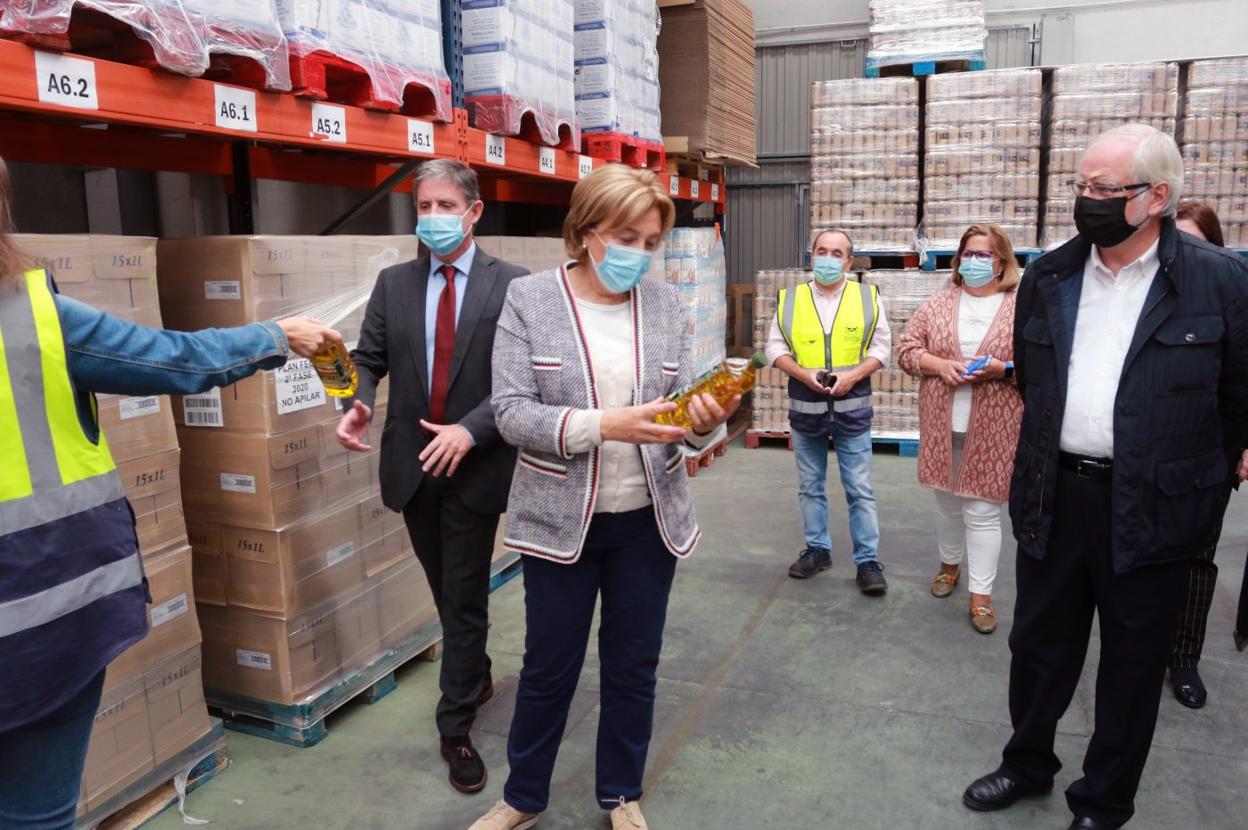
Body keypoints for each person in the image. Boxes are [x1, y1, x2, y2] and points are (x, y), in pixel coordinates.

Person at [0, 155, 338, 830]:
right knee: (35, 815)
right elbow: (169, 358)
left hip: (43, 613)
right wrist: (276, 335)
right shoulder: (32, 317)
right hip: (45, 619)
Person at [962, 124, 1248, 830]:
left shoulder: (1219, 282)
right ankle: (1026, 765)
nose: (1085, 200)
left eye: (1101, 188)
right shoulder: (1051, 275)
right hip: (1056, 495)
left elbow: (1237, 398)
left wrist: (1200, 486)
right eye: (1080, 186)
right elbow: (1034, 380)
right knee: (1038, 648)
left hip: (1154, 508)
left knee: (1131, 664)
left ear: (1156, 197)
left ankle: (1103, 801)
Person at [468, 165, 736, 830]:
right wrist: (603, 425)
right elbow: (510, 413)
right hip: (560, 520)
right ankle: (523, 796)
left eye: (651, 242)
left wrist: (703, 417)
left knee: (633, 665)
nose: (639, 255)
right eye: (627, 237)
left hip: (647, 521)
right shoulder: (532, 301)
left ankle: (620, 793)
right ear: (587, 232)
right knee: (549, 666)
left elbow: (687, 411)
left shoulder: (667, 306)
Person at [336, 159, 528, 794]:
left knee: (465, 594)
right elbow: (367, 358)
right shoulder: (394, 285)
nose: (433, 219)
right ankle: (474, 672)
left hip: (474, 462)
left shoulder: (514, 286)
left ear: (474, 212)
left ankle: (455, 727)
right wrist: (357, 399)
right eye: (424, 208)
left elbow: (518, 382)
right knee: (446, 586)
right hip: (414, 465)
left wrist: (468, 430)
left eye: (447, 206)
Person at [897, 224, 1023, 634]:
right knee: (947, 503)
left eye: (983, 255)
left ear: (1001, 261)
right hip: (942, 423)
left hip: (994, 426)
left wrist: (1002, 370)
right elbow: (907, 349)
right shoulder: (939, 303)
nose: (973, 262)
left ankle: (981, 596)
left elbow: (1042, 364)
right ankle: (949, 567)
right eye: (968, 254)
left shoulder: (1021, 307)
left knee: (983, 510)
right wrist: (938, 365)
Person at [767, 229, 891, 594]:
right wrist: (802, 373)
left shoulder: (867, 297)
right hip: (807, 410)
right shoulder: (791, 299)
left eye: (837, 253)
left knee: (860, 488)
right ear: (811, 256)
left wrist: (854, 375)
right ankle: (817, 549)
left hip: (852, 410)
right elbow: (775, 349)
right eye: (822, 251)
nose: (828, 258)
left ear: (848, 262)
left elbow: (882, 348)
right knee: (810, 486)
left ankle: (867, 560)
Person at [1167, 199, 1242, 708]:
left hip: (1210, 455)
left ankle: (1184, 656)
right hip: (1147, 454)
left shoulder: (1234, 302)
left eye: (1194, 244)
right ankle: (1140, 646)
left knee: (1197, 558)